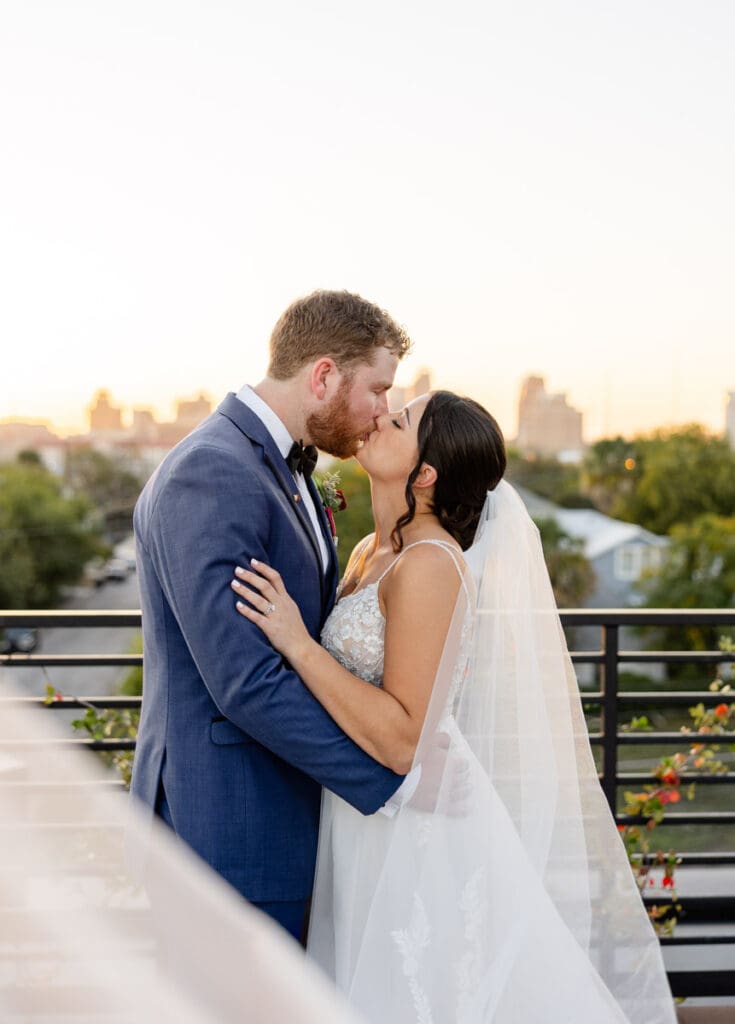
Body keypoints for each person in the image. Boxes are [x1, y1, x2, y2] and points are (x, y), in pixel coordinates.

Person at [232, 390, 677, 1023]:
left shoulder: (432, 564)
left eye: (401, 419)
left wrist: (299, 647)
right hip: (362, 811)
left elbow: (404, 739)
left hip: (417, 827)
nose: (380, 416)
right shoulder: (368, 551)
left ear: (427, 473)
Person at [130, 289, 415, 943]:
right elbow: (244, 681)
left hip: (271, 820)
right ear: (322, 376)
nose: (382, 410)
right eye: (377, 388)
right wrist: (386, 785)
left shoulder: (272, 466)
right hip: (230, 832)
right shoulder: (214, 472)